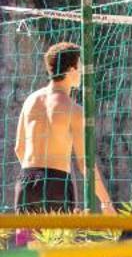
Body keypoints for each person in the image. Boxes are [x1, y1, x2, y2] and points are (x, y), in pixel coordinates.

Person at [13, 40, 112, 211]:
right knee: (59, 239)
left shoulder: (30, 101)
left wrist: (36, 177)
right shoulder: (74, 110)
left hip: (26, 183)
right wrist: (106, 202)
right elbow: (84, 163)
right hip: (56, 184)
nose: (82, 72)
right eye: (80, 66)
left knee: (27, 238)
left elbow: (19, 148)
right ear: (71, 70)